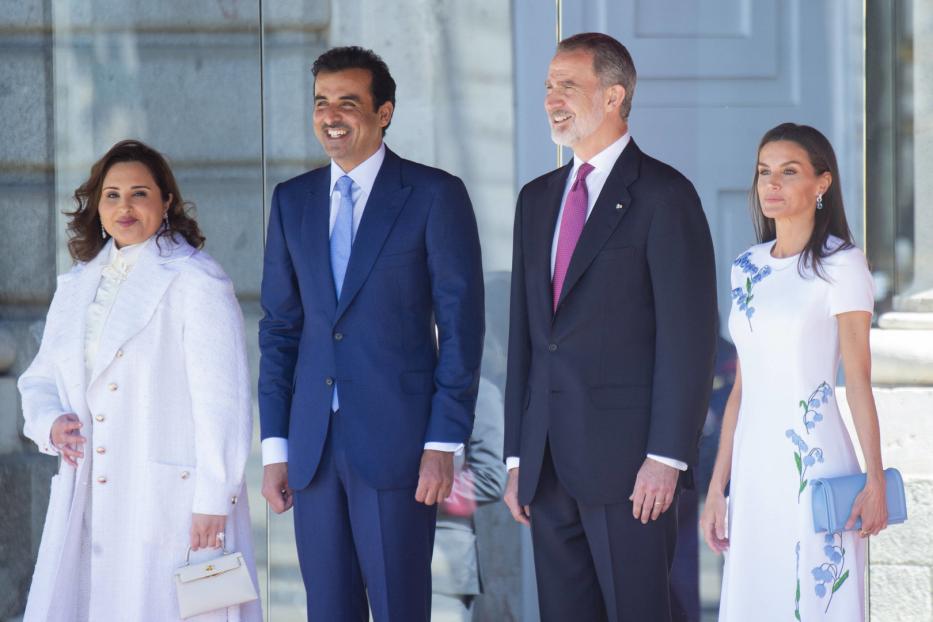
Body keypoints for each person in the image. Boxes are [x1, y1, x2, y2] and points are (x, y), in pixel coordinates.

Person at [258, 46, 485, 621]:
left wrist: (443, 443)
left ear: (383, 112)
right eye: (321, 102)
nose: (331, 115)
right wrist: (276, 447)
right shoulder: (291, 201)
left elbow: (462, 327)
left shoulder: (434, 195)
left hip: (401, 446)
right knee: (327, 611)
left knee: (398, 608)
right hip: (312, 448)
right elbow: (281, 331)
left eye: (348, 102)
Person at [503, 33, 718, 622]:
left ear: (615, 95)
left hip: (631, 473)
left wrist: (667, 457)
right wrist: (517, 457)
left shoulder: (664, 196)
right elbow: (527, 336)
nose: (552, 98)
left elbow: (689, 338)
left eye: (568, 85)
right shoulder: (536, 199)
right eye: (549, 85)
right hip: (546, 466)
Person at [18, 139, 260, 622]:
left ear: (166, 201)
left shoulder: (196, 278)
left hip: (169, 496)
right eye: (112, 195)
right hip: (86, 492)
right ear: (97, 205)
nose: (124, 207)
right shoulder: (78, 283)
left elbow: (225, 399)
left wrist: (214, 497)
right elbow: (40, 377)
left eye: (139, 193)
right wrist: (50, 423)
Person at [700, 123, 888, 621]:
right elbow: (742, 387)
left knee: (813, 600)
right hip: (753, 469)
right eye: (764, 172)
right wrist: (718, 487)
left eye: (788, 172)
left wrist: (875, 481)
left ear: (821, 183)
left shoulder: (842, 265)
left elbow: (860, 382)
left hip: (815, 463)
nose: (771, 185)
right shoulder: (746, 267)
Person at [431, 376, 507, 621]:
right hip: (370, 562)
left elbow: (491, 479)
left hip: (444, 569)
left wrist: (412, 492)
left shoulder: (480, 391)